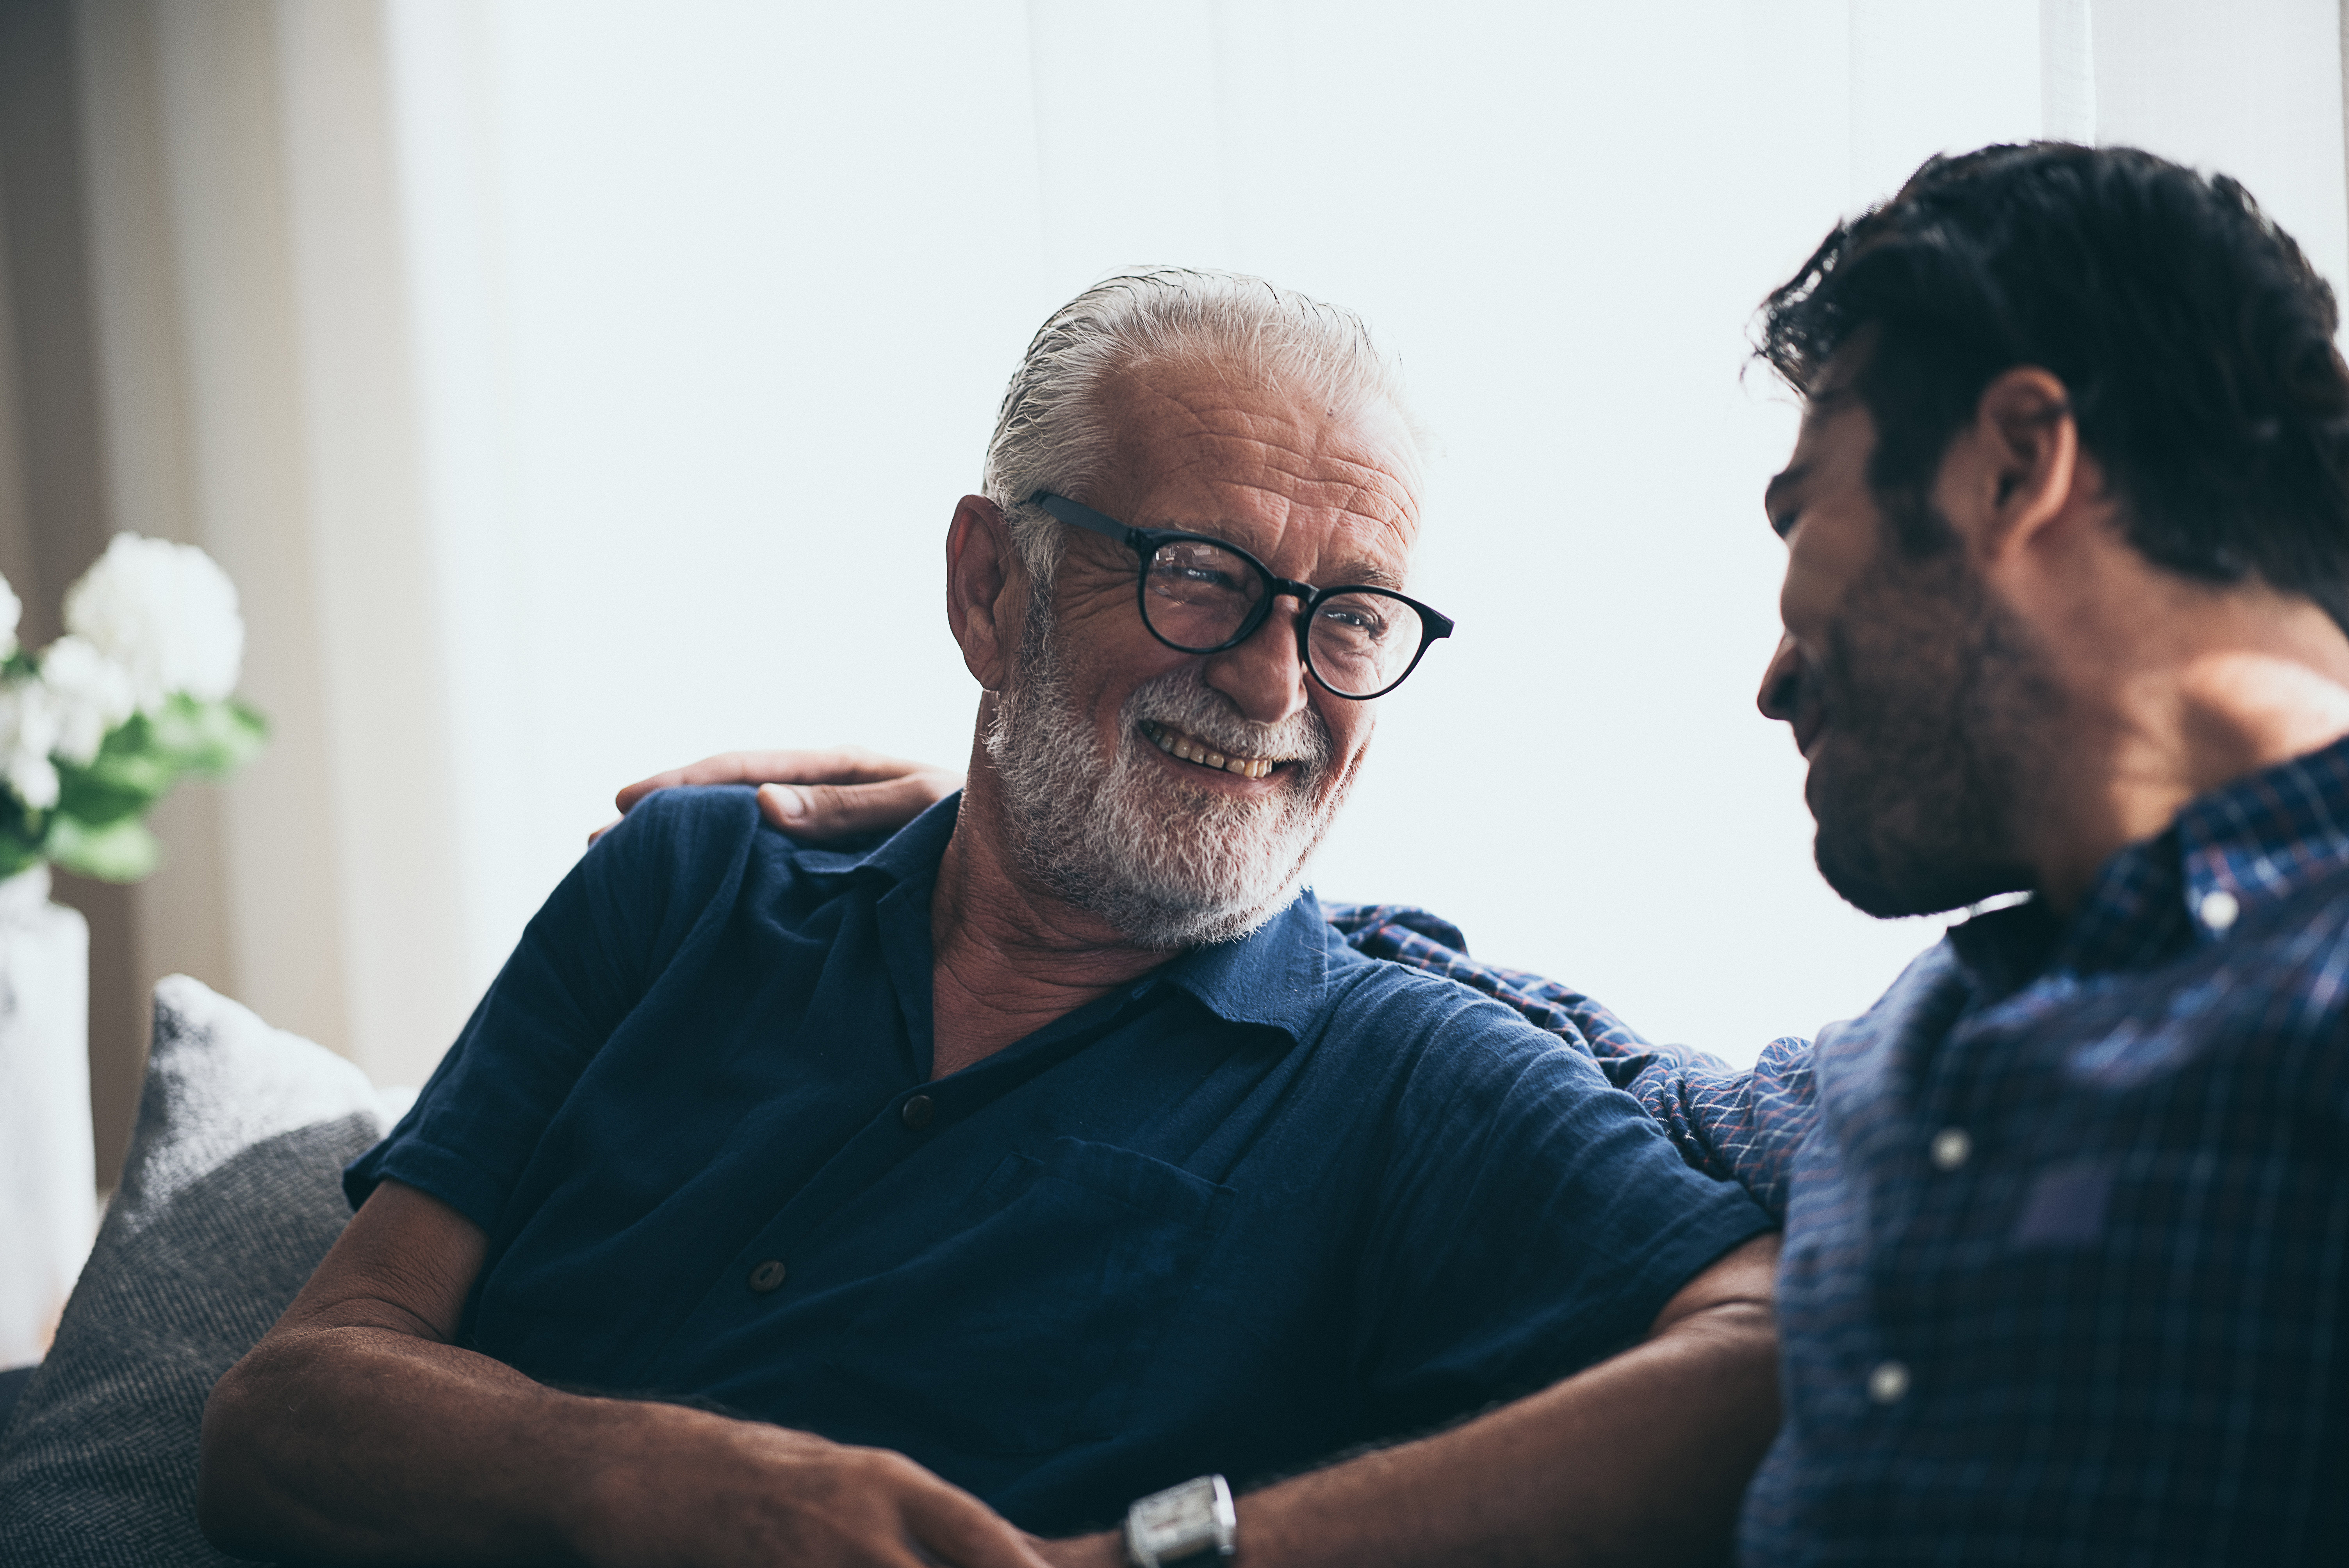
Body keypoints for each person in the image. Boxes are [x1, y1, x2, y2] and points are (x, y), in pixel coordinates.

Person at [675, 144, 2349, 1562]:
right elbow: (1570, 1057)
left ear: (2010, 467)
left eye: (1801, 513)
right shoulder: (1916, 1062)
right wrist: (1058, 810)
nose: (1769, 674)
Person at [198, 271, 1780, 1568]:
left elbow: (1767, 1357)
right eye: (1200, 574)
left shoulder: (1407, 1074)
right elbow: (282, 1409)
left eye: (1350, 615)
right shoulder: (685, 882)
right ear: (987, 589)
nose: (1271, 679)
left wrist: (1162, 1554)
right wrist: (667, 1483)